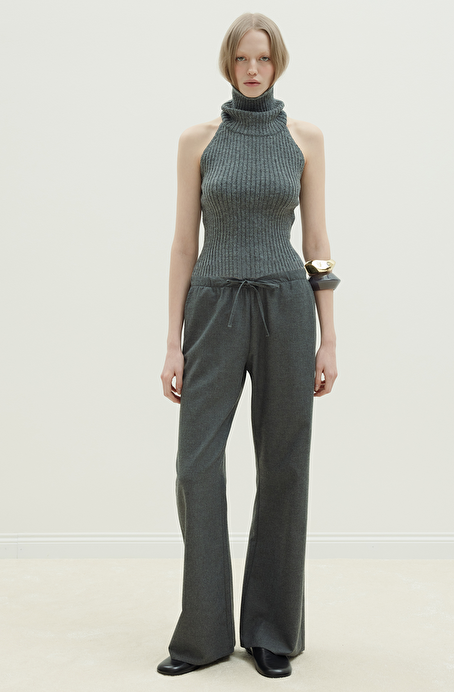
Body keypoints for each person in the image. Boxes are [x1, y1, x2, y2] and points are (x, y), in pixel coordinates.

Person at [157, 12, 340, 679]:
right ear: (228, 64)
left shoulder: (305, 139)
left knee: (284, 465)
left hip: (286, 306)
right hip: (213, 306)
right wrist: (172, 342)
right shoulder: (198, 141)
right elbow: (184, 244)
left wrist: (328, 335)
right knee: (196, 466)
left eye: (263, 58)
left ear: (277, 62)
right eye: (242, 59)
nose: (253, 69)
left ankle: (269, 632)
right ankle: (204, 635)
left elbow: (316, 243)